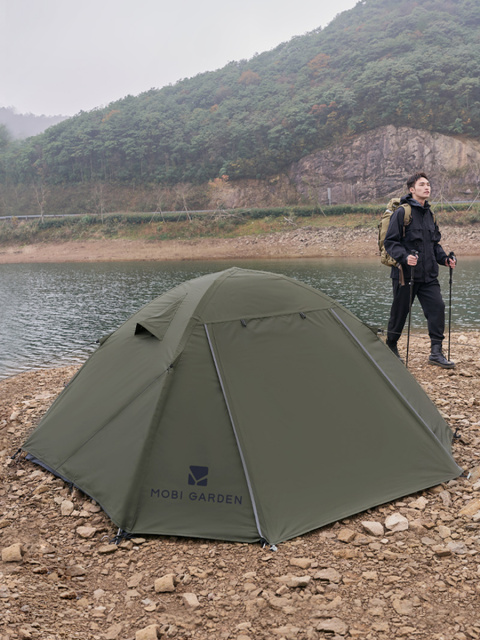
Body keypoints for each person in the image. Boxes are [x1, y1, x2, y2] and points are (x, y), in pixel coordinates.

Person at [384, 172, 456, 368]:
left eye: (428, 184)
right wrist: (405, 257)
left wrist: (445, 259)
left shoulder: (430, 214)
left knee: (437, 308)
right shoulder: (402, 213)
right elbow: (390, 242)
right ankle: (391, 345)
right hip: (405, 275)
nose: (427, 187)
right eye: (422, 184)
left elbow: (434, 245)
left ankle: (436, 352)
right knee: (400, 312)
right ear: (412, 189)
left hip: (428, 275)